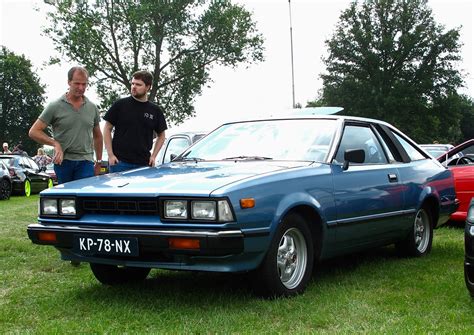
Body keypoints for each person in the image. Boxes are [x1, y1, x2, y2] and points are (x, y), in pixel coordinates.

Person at [28, 66, 103, 184]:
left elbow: (98, 136)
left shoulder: (92, 107)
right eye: (77, 83)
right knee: (67, 200)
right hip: (63, 162)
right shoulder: (55, 106)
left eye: (84, 84)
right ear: (69, 82)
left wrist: (98, 161)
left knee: (84, 198)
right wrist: (54, 143)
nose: (81, 88)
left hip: (86, 161)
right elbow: (34, 131)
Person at [103, 70, 167, 173]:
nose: (134, 87)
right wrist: (110, 155)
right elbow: (107, 128)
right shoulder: (120, 105)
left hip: (143, 164)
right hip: (119, 162)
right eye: (132, 83)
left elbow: (162, 135)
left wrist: (154, 156)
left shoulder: (155, 111)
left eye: (138, 84)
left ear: (148, 87)